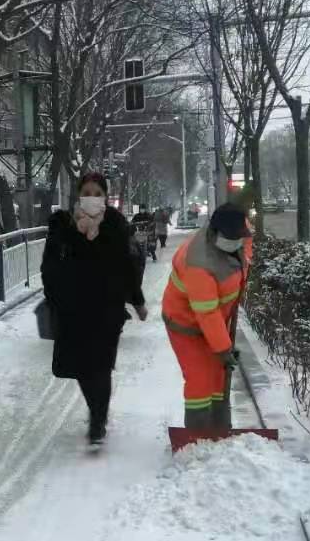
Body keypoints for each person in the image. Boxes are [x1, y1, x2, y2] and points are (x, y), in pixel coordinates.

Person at [40, 171, 148, 446]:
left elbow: (128, 266)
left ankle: (98, 420)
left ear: (105, 197)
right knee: (82, 367)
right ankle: (96, 410)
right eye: (86, 193)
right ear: (79, 196)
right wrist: (53, 296)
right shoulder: (64, 226)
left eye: (97, 193)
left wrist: (137, 300)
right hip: (72, 310)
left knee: (100, 364)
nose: (91, 198)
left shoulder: (115, 225)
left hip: (106, 310)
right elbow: (49, 266)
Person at [161, 202, 254, 430]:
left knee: (218, 376)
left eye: (239, 236)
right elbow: (207, 313)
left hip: (216, 321)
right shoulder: (198, 263)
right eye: (231, 237)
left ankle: (220, 428)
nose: (237, 241)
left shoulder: (241, 234)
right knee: (200, 379)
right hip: (186, 325)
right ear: (215, 232)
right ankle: (198, 435)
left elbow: (246, 253)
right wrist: (223, 349)